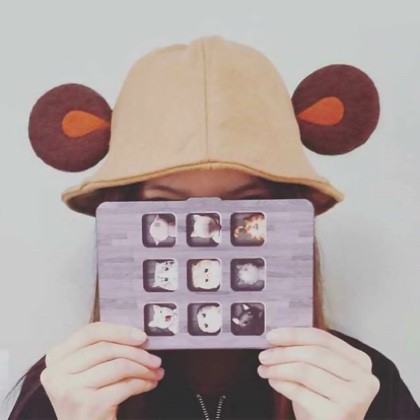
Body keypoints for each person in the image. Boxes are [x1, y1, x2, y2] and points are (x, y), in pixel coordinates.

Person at [5, 35, 420, 420]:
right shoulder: (64, 391)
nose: (206, 238)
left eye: (246, 203)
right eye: (164, 205)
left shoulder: (361, 388)